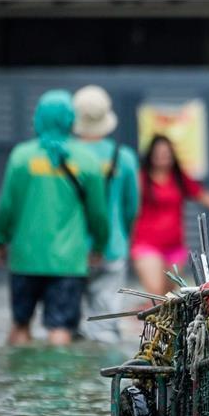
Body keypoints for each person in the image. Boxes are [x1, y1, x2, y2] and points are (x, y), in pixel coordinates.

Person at [0, 90, 109, 346]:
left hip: (25, 258)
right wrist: (99, 246)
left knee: (20, 324)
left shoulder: (21, 157)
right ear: (70, 120)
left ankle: (19, 381)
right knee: (60, 328)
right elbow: (98, 214)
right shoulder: (87, 161)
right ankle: (58, 381)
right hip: (68, 261)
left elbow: (6, 207)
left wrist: (0, 241)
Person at [71, 85, 140, 344]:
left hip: (71, 251)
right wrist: (122, 235)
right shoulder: (123, 157)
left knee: (68, 329)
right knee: (106, 327)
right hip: (113, 247)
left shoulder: (67, 155)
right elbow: (131, 206)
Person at [130, 134, 209, 297]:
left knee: (169, 297)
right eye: (158, 153)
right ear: (151, 155)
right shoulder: (140, 178)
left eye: (166, 153)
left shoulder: (178, 178)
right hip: (147, 245)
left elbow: (204, 196)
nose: (162, 157)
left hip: (175, 248)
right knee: (155, 292)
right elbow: (127, 204)